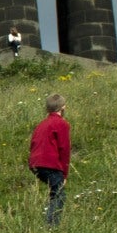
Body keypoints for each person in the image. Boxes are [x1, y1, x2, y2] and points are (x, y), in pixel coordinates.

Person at [27, 93, 72, 226]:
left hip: (35, 164)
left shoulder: (41, 124)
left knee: (54, 192)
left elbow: (33, 143)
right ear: (63, 107)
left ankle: (50, 223)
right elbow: (64, 149)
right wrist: (64, 174)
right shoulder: (61, 124)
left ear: (47, 109)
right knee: (58, 195)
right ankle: (51, 227)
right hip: (50, 164)